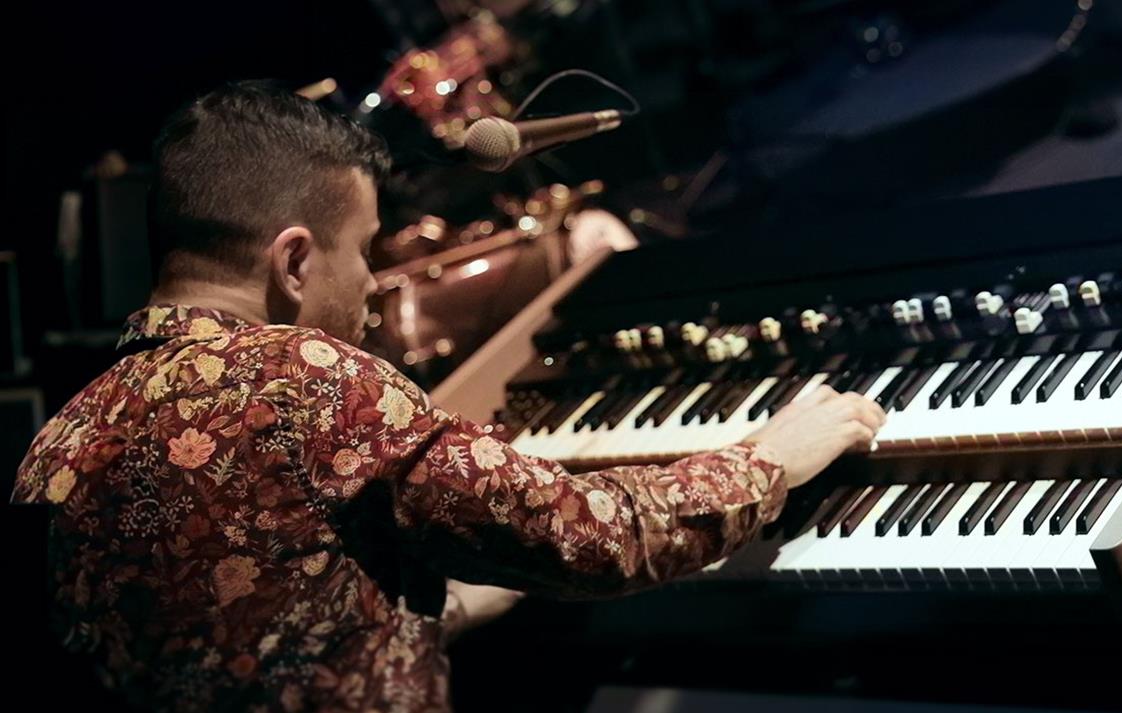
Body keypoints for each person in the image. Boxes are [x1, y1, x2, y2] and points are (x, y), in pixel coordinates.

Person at [11, 82, 886, 712]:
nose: (371, 284)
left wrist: (448, 601)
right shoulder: (314, 381)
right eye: (363, 251)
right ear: (292, 260)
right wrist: (768, 458)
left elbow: (242, 638)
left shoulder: (59, 443)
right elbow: (600, 536)